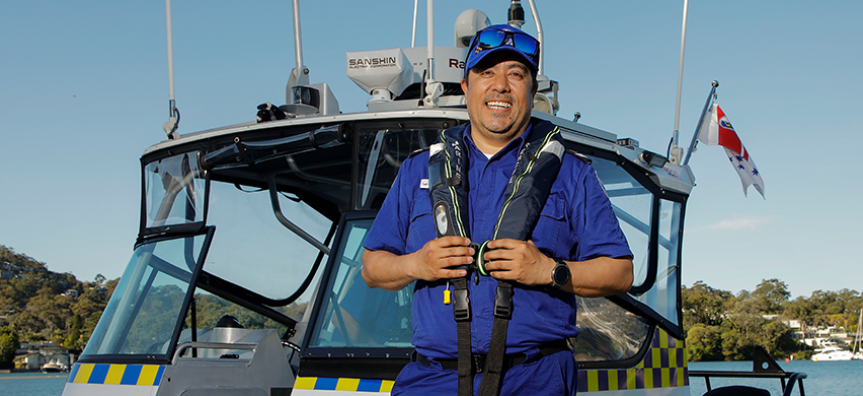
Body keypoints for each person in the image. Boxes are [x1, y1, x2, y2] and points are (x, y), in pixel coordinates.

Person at [361, 24, 633, 396]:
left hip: (536, 380)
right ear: (466, 87)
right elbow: (373, 268)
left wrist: (549, 271)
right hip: (430, 381)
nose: (500, 85)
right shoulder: (416, 170)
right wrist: (415, 264)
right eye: (486, 72)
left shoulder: (574, 172)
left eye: (516, 74)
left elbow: (620, 273)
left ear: (532, 90)